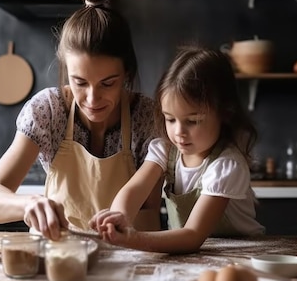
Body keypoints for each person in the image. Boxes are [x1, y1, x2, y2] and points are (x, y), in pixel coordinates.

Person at [0, 0, 163, 241]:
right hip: (61, 260)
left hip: (134, 265)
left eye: (108, 83)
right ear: (65, 71)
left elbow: (149, 209)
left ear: (127, 74)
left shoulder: (148, 117)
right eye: (80, 82)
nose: (92, 99)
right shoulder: (48, 111)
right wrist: (28, 204)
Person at [89, 46, 265, 254]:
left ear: (224, 113)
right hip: (191, 252)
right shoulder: (165, 149)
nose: (179, 132)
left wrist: (133, 239)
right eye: (170, 119)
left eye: (193, 121)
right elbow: (134, 190)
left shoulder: (226, 166)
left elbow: (193, 234)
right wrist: (118, 219)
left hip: (239, 253)